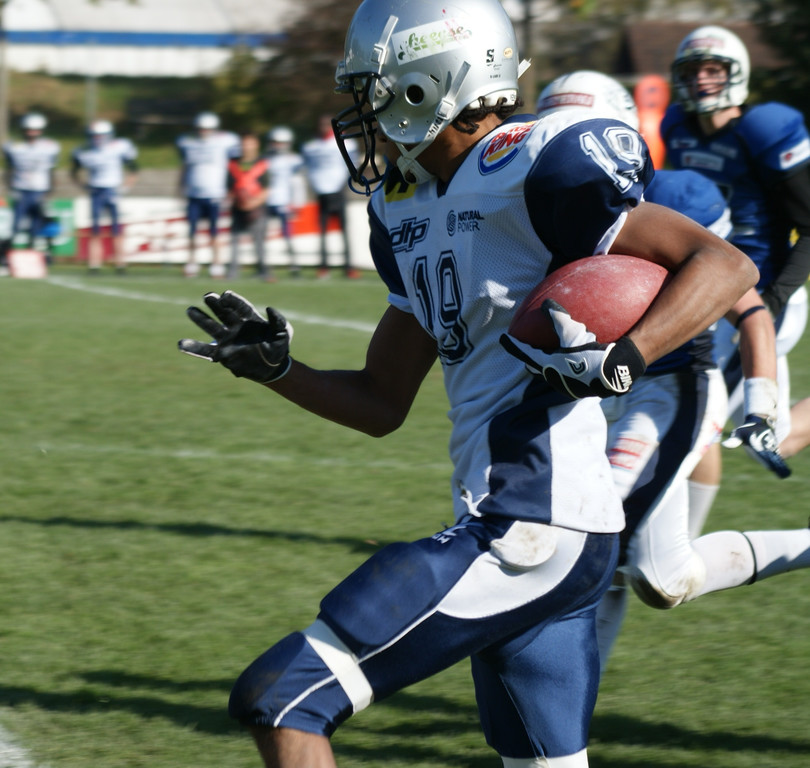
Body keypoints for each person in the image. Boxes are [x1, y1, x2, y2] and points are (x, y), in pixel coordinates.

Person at [178, 0, 757, 764]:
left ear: (429, 83)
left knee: (285, 696)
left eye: (374, 91)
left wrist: (628, 356)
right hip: (526, 518)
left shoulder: (538, 159)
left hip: (533, 523)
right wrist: (279, 372)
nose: (365, 116)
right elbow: (382, 403)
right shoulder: (406, 204)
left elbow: (724, 264)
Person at [537, 71, 807, 674]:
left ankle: (558, 728)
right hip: (596, 399)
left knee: (591, 536)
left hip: (665, 392)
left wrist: (761, 405)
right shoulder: (534, 214)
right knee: (662, 579)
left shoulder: (674, 202)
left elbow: (752, 310)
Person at [662, 25, 810, 523]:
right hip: (705, 285)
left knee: (701, 421)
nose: (703, 80)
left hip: (758, 292)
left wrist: (773, 299)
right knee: (758, 441)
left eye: (713, 69)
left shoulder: (765, 131)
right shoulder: (675, 126)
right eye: (692, 70)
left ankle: (667, 549)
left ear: (735, 74)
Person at [176, 111, 240, 278]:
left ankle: (216, 264)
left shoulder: (225, 141)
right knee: (192, 231)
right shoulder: (188, 142)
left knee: (215, 231)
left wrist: (231, 190)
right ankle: (191, 263)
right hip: (194, 193)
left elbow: (233, 167)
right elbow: (185, 166)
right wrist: (180, 187)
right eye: (201, 128)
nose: (203, 132)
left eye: (207, 129)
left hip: (216, 193)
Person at [71, 119, 138, 273]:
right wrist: (83, 186)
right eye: (94, 135)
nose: (97, 139)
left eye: (100, 135)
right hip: (96, 191)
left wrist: (126, 186)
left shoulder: (119, 147)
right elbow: (74, 171)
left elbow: (133, 168)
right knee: (95, 230)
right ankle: (94, 264)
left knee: (117, 229)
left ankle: (120, 264)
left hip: (113, 190)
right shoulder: (84, 151)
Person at [301, 115, 358, 279]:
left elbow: (351, 165)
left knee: (344, 232)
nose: (324, 127)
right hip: (321, 192)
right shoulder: (310, 146)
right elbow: (307, 167)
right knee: (323, 232)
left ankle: (349, 266)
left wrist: (344, 183)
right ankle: (323, 266)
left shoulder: (346, 142)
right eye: (322, 124)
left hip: (338, 190)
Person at [2, 112, 61, 259]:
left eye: (34, 130)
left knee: (37, 226)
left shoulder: (50, 147)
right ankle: (5, 257)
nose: (31, 133)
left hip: (39, 191)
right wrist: (10, 188)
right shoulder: (14, 146)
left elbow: (51, 171)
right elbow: (9, 170)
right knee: (14, 226)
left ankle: (32, 256)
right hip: (21, 190)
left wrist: (50, 192)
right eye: (28, 129)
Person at [226, 131, 271, 281]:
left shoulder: (262, 164)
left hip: (257, 207)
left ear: (256, 144)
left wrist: (254, 202)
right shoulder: (233, 164)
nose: (246, 146)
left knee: (259, 241)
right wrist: (236, 199)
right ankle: (233, 271)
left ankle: (263, 271)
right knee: (234, 241)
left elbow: (267, 188)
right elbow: (229, 188)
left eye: (250, 143)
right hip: (238, 207)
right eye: (244, 143)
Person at [266, 126, 304, 276]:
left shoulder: (295, 160)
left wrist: (297, 202)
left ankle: (294, 264)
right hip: (267, 201)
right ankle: (266, 265)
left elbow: (298, 183)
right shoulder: (266, 159)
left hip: (285, 202)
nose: (277, 145)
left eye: (280, 142)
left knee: (288, 235)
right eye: (274, 142)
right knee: (265, 235)